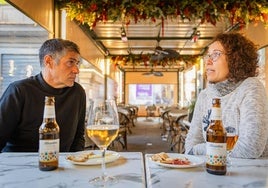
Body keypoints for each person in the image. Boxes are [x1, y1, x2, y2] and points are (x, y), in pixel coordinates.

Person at [185, 32, 268, 158]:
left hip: (248, 174)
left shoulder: (251, 87)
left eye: (216, 55)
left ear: (236, 58)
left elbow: (249, 149)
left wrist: (200, 150)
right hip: (210, 172)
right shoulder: (205, 96)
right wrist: (222, 148)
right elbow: (191, 144)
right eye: (208, 56)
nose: (208, 62)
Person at [0, 38, 86, 152]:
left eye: (77, 63)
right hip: (19, 165)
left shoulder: (77, 92)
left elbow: (78, 137)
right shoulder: (19, 91)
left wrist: (75, 163)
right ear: (49, 61)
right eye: (70, 62)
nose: (76, 70)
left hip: (62, 165)